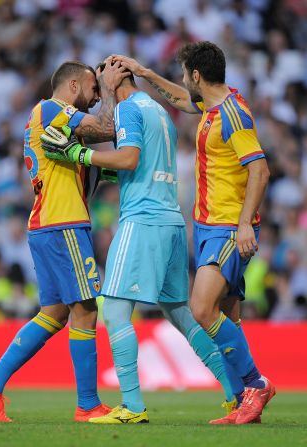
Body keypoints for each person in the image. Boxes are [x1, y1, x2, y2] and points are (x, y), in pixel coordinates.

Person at [41, 61, 239, 424]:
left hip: (142, 221)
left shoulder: (128, 108)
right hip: (172, 222)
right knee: (181, 315)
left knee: (115, 310)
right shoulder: (158, 110)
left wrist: (78, 154)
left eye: (100, 83)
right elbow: (142, 161)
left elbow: (130, 158)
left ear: (114, 78)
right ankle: (235, 393)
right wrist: (102, 165)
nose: (98, 93)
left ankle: (132, 406)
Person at [112, 42, 275, 424]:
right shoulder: (212, 106)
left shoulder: (234, 114)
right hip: (206, 225)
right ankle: (242, 404)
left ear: (197, 74)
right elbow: (185, 99)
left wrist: (245, 222)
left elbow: (260, 170)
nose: (185, 80)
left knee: (201, 308)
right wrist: (147, 73)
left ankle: (257, 384)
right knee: (228, 317)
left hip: (226, 226)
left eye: (186, 73)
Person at [0, 60, 129, 422]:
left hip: (46, 223)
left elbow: (98, 149)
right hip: (64, 222)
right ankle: (88, 404)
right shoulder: (53, 108)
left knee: (56, 313)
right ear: (73, 86)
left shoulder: (48, 119)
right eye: (90, 89)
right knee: (86, 310)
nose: (92, 98)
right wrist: (108, 86)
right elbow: (106, 125)